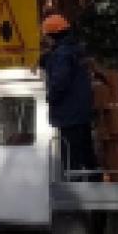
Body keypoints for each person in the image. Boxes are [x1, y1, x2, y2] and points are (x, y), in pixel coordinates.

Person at [39, 14, 99, 181]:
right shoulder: (75, 51)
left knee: (72, 162)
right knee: (87, 157)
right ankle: (96, 194)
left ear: (52, 36)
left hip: (69, 114)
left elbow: (60, 81)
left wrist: (51, 98)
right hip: (82, 113)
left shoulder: (62, 55)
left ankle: (77, 199)